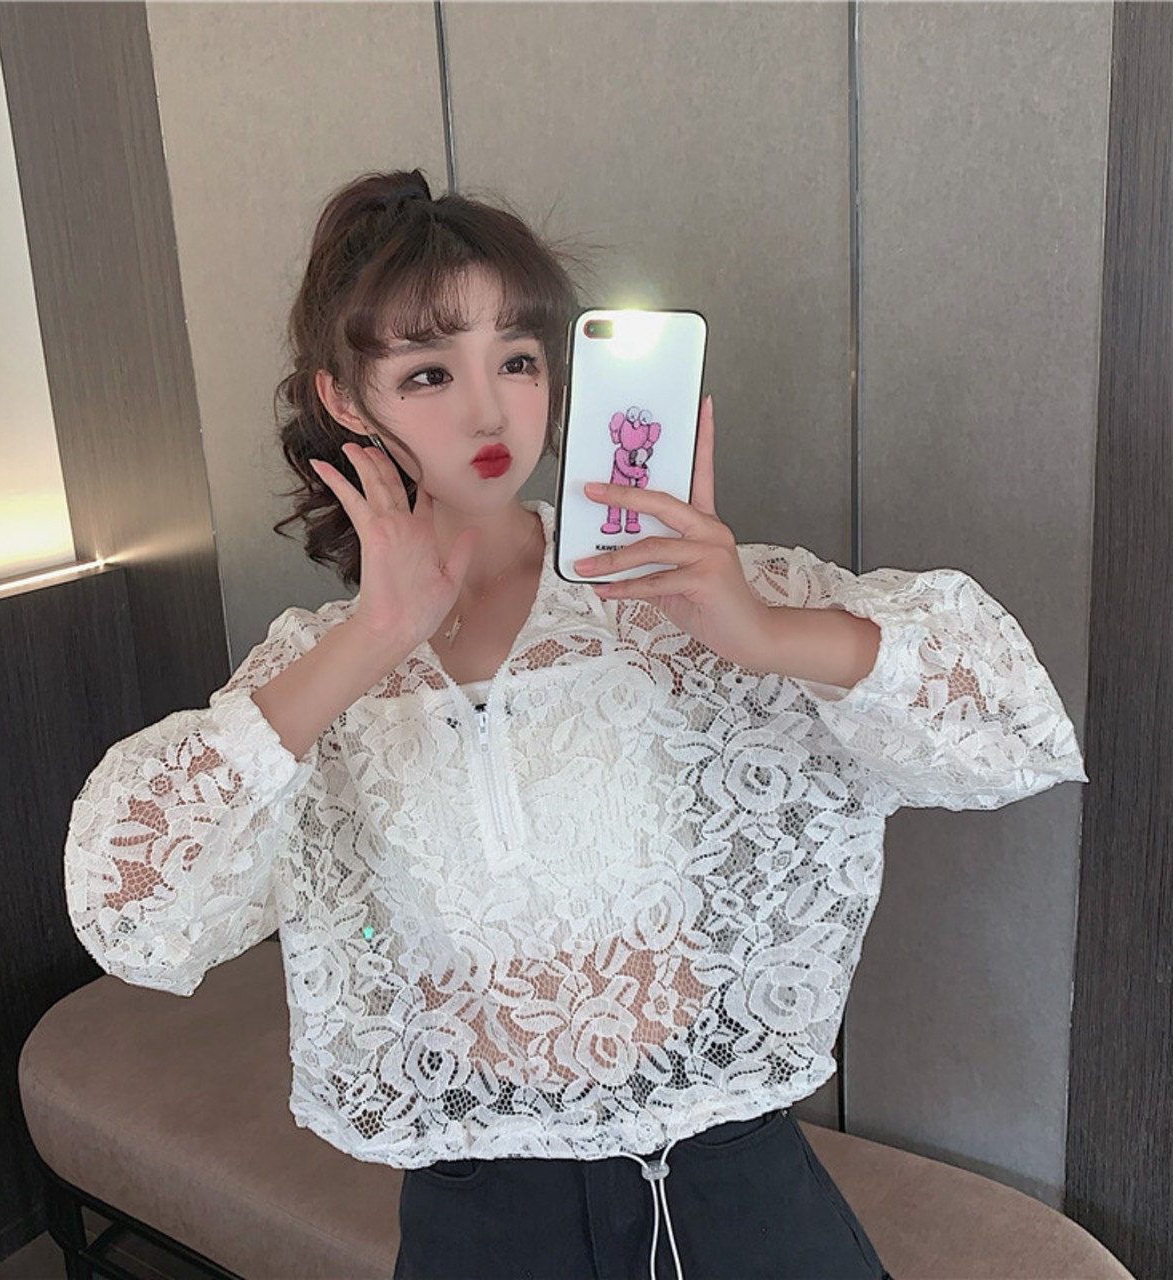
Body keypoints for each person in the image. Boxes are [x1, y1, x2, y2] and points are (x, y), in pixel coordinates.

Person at [65, 169, 1087, 1280]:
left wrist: (760, 631)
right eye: (427, 372)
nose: (488, 410)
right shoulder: (315, 669)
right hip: (480, 1206)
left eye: (516, 358)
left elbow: (1007, 728)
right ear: (347, 400)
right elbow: (133, 909)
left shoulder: (671, 593)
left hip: (720, 1175)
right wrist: (371, 637)